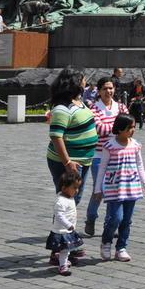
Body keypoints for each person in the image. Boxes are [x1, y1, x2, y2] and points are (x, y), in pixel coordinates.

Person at [93, 114, 145, 261]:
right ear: (119, 129)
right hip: (114, 188)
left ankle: (121, 247)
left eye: (133, 127)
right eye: (129, 127)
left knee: (127, 220)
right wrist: (98, 189)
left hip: (132, 187)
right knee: (115, 218)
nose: (133, 130)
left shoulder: (135, 145)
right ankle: (106, 242)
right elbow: (102, 167)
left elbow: (140, 165)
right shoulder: (110, 146)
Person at [84, 76, 128, 237]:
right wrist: (118, 126)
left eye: (111, 88)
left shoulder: (121, 107)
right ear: (99, 91)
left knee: (115, 190)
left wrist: (115, 127)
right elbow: (99, 129)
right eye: (105, 89)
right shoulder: (93, 108)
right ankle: (91, 217)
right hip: (99, 155)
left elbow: (129, 126)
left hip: (118, 155)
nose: (108, 91)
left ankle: (111, 222)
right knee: (100, 189)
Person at [47, 69, 98, 203]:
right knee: (67, 200)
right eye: (83, 79)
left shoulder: (78, 101)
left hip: (83, 160)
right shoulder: (62, 108)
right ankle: (64, 224)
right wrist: (68, 163)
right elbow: (56, 136)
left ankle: (68, 223)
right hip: (69, 162)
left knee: (75, 198)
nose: (85, 82)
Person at [46, 169, 85, 276]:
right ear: (64, 188)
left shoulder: (69, 197)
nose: (77, 191)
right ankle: (62, 266)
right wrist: (68, 224)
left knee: (65, 250)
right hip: (61, 231)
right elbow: (59, 215)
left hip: (67, 231)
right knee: (64, 250)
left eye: (78, 188)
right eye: (74, 188)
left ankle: (62, 260)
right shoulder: (61, 201)